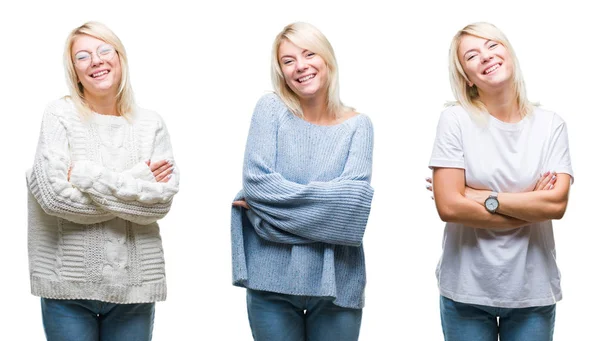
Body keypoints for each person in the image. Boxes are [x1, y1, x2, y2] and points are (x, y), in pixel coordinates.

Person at [26, 21, 179, 341]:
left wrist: (85, 176)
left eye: (104, 50)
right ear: (74, 71)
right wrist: (139, 181)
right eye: (82, 56)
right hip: (67, 291)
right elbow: (54, 199)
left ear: (120, 58)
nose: (95, 60)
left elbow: (159, 203)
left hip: (135, 289)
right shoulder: (59, 115)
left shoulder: (151, 123)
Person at [427, 22, 573, 340]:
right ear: (466, 77)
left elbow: (556, 204)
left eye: (492, 45)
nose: (486, 56)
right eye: (472, 55)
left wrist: (478, 195)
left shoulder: (551, 125)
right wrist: (528, 204)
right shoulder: (455, 120)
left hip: (532, 291)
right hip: (466, 291)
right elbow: (449, 207)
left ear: (508, 51)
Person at [230, 22, 374, 341]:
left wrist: (266, 219)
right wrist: (327, 212)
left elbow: (350, 212)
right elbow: (257, 184)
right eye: (288, 60)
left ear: (327, 59)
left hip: (338, 282)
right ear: (280, 71)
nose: (300, 66)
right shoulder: (270, 110)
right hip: (270, 283)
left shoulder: (359, 127)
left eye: (309, 54)